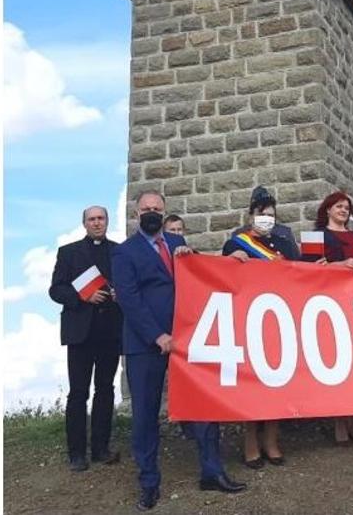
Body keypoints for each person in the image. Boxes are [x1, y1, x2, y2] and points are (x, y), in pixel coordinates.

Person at [115, 190, 242, 511]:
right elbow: (129, 299)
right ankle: (148, 483)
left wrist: (231, 261)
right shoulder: (124, 253)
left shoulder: (177, 244)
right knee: (145, 415)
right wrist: (157, 335)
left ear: (165, 211)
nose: (152, 212)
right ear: (136, 212)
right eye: (146, 208)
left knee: (203, 406)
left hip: (187, 340)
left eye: (157, 208)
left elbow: (203, 273)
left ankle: (212, 471)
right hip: (145, 345)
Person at [222, 187, 300, 468]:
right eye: (261, 213)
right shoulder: (236, 243)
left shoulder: (285, 242)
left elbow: (298, 272)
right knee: (252, 385)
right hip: (250, 319)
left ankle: (272, 440)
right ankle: (251, 443)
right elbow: (224, 277)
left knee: (277, 383)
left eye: (270, 213)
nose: (266, 218)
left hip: (280, 319)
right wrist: (232, 262)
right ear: (251, 214)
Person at [48, 205, 121, 472]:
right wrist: (83, 296)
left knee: (105, 390)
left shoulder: (119, 251)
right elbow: (56, 289)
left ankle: (101, 448)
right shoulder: (68, 253)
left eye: (101, 218)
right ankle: (76, 453)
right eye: (92, 219)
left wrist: (119, 293)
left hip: (110, 331)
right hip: (80, 333)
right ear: (84, 224)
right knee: (78, 393)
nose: (97, 223)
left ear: (107, 221)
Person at [313, 191, 353, 447]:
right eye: (339, 206)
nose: (344, 210)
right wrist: (338, 266)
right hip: (330, 304)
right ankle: (338, 423)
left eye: (347, 207)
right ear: (327, 209)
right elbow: (309, 268)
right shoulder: (316, 237)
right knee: (338, 362)